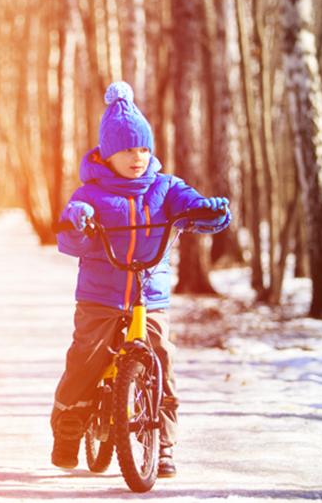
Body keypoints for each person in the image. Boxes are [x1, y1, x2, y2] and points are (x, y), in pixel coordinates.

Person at [51, 81, 232, 475]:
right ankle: (68, 428)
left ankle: (163, 444)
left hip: (149, 296)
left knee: (161, 359)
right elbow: (69, 230)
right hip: (101, 296)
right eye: (127, 149)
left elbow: (190, 204)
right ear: (107, 154)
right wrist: (78, 223)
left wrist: (205, 210)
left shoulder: (165, 188)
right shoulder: (93, 193)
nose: (137, 157)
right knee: (85, 358)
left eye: (143, 148)